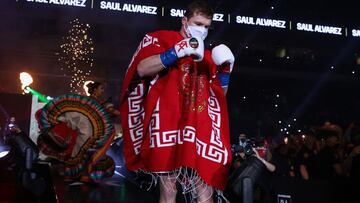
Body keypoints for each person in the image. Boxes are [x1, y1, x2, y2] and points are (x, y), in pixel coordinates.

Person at [120, 1, 234, 202]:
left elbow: (218, 98)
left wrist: (225, 72)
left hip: (200, 124)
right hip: (168, 119)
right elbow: (141, 69)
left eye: (207, 26)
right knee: (169, 188)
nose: (203, 30)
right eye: (198, 23)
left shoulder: (208, 57)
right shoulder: (161, 38)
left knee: (205, 188)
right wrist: (175, 51)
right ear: (184, 21)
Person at [36, 85, 117, 183]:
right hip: (80, 130)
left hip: (86, 132)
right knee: (79, 152)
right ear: (95, 89)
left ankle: (79, 173)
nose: (103, 91)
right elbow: (111, 111)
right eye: (101, 88)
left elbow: (111, 111)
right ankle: (77, 173)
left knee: (84, 153)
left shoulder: (101, 103)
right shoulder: (87, 102)